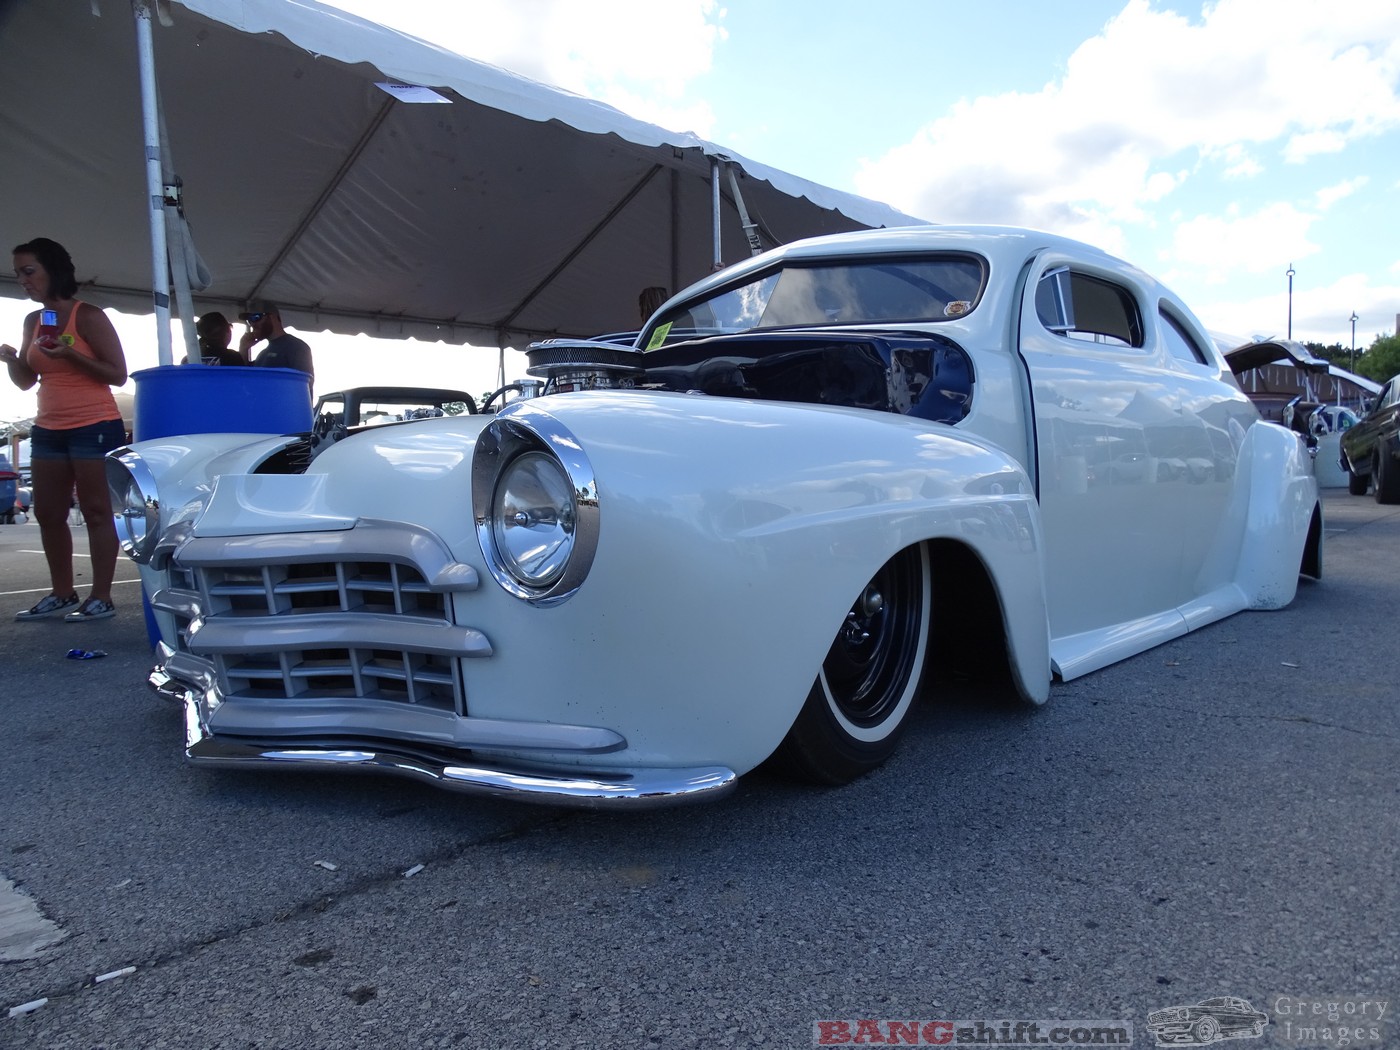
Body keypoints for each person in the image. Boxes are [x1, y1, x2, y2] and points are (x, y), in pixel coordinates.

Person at [0, 238, 127, 621]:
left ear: (52, 270)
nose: (22, 280)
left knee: (96, 511)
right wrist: (9, 359)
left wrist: (70, 353)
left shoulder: (88, 316)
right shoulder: (33, 321)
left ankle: (101, 597)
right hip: (49, 427)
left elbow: (117, 375)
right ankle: (62, 592)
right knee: (49, 512)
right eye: (18, 273)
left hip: (95, 424)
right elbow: (26, 380)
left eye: (28, 271)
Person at [238, 300, 313, 381]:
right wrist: (243, 349)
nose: (252, 324)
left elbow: (305, 384)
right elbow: (245, 380)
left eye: (256, 317)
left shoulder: (296, 346)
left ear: (272, 317)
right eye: (249, 320)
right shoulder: (262, 355)